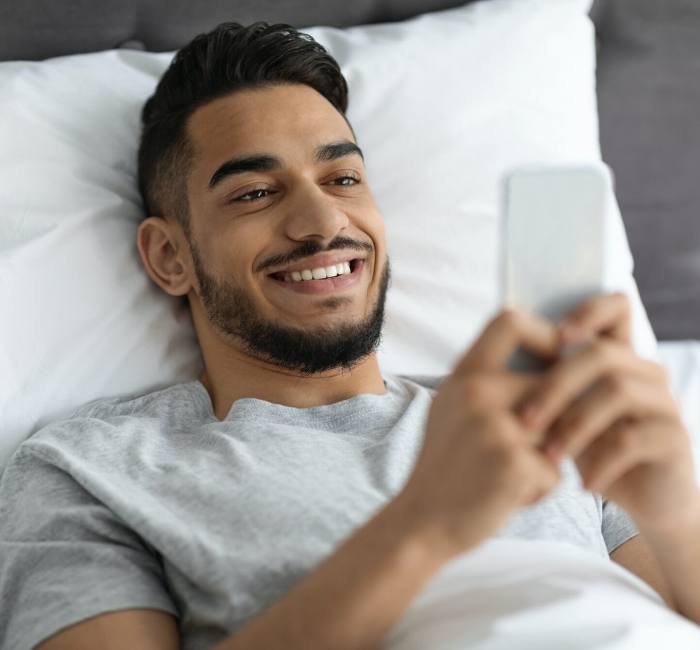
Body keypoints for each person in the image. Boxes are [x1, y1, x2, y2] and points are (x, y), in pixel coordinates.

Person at [1, 21, 699, 650]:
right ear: (169, 257)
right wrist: (427, 524)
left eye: (342, 177)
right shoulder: (87, 471)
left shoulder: (543, 413)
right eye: (253, 192)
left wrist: (674, 515)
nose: (321, 221)